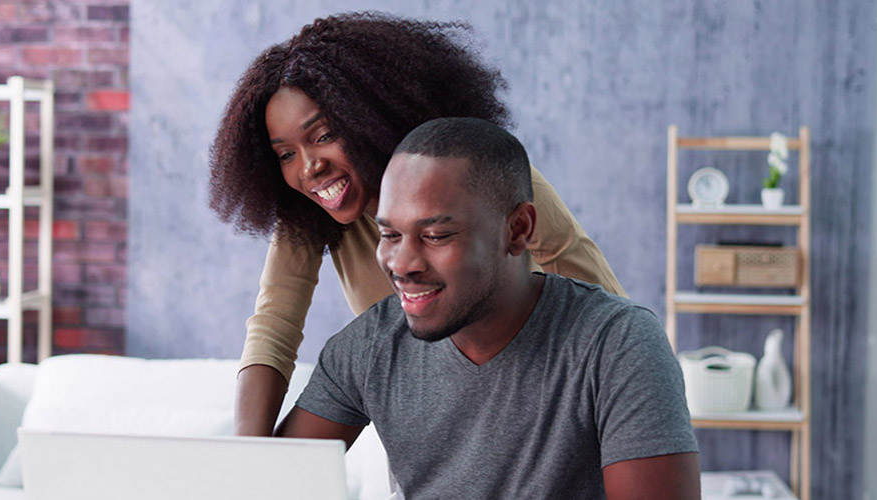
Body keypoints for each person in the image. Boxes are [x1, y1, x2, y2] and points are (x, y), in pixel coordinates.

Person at [209, 12, 629, 437]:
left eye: (322, 135)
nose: (309, 167)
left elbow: (588, 285)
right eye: (286, 154)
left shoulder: (477, 175)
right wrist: (250, 458)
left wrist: (631, 394)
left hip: (538, 403)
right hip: (430, 432)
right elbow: (274, 325)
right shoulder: (312, 218)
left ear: (368, 116)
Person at [276, 118, 699, 499]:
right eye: (390, 234)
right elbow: (270, 482)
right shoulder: (368, 347)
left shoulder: (619, 345)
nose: (402, 264)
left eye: (437, 235)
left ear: (518, 230)